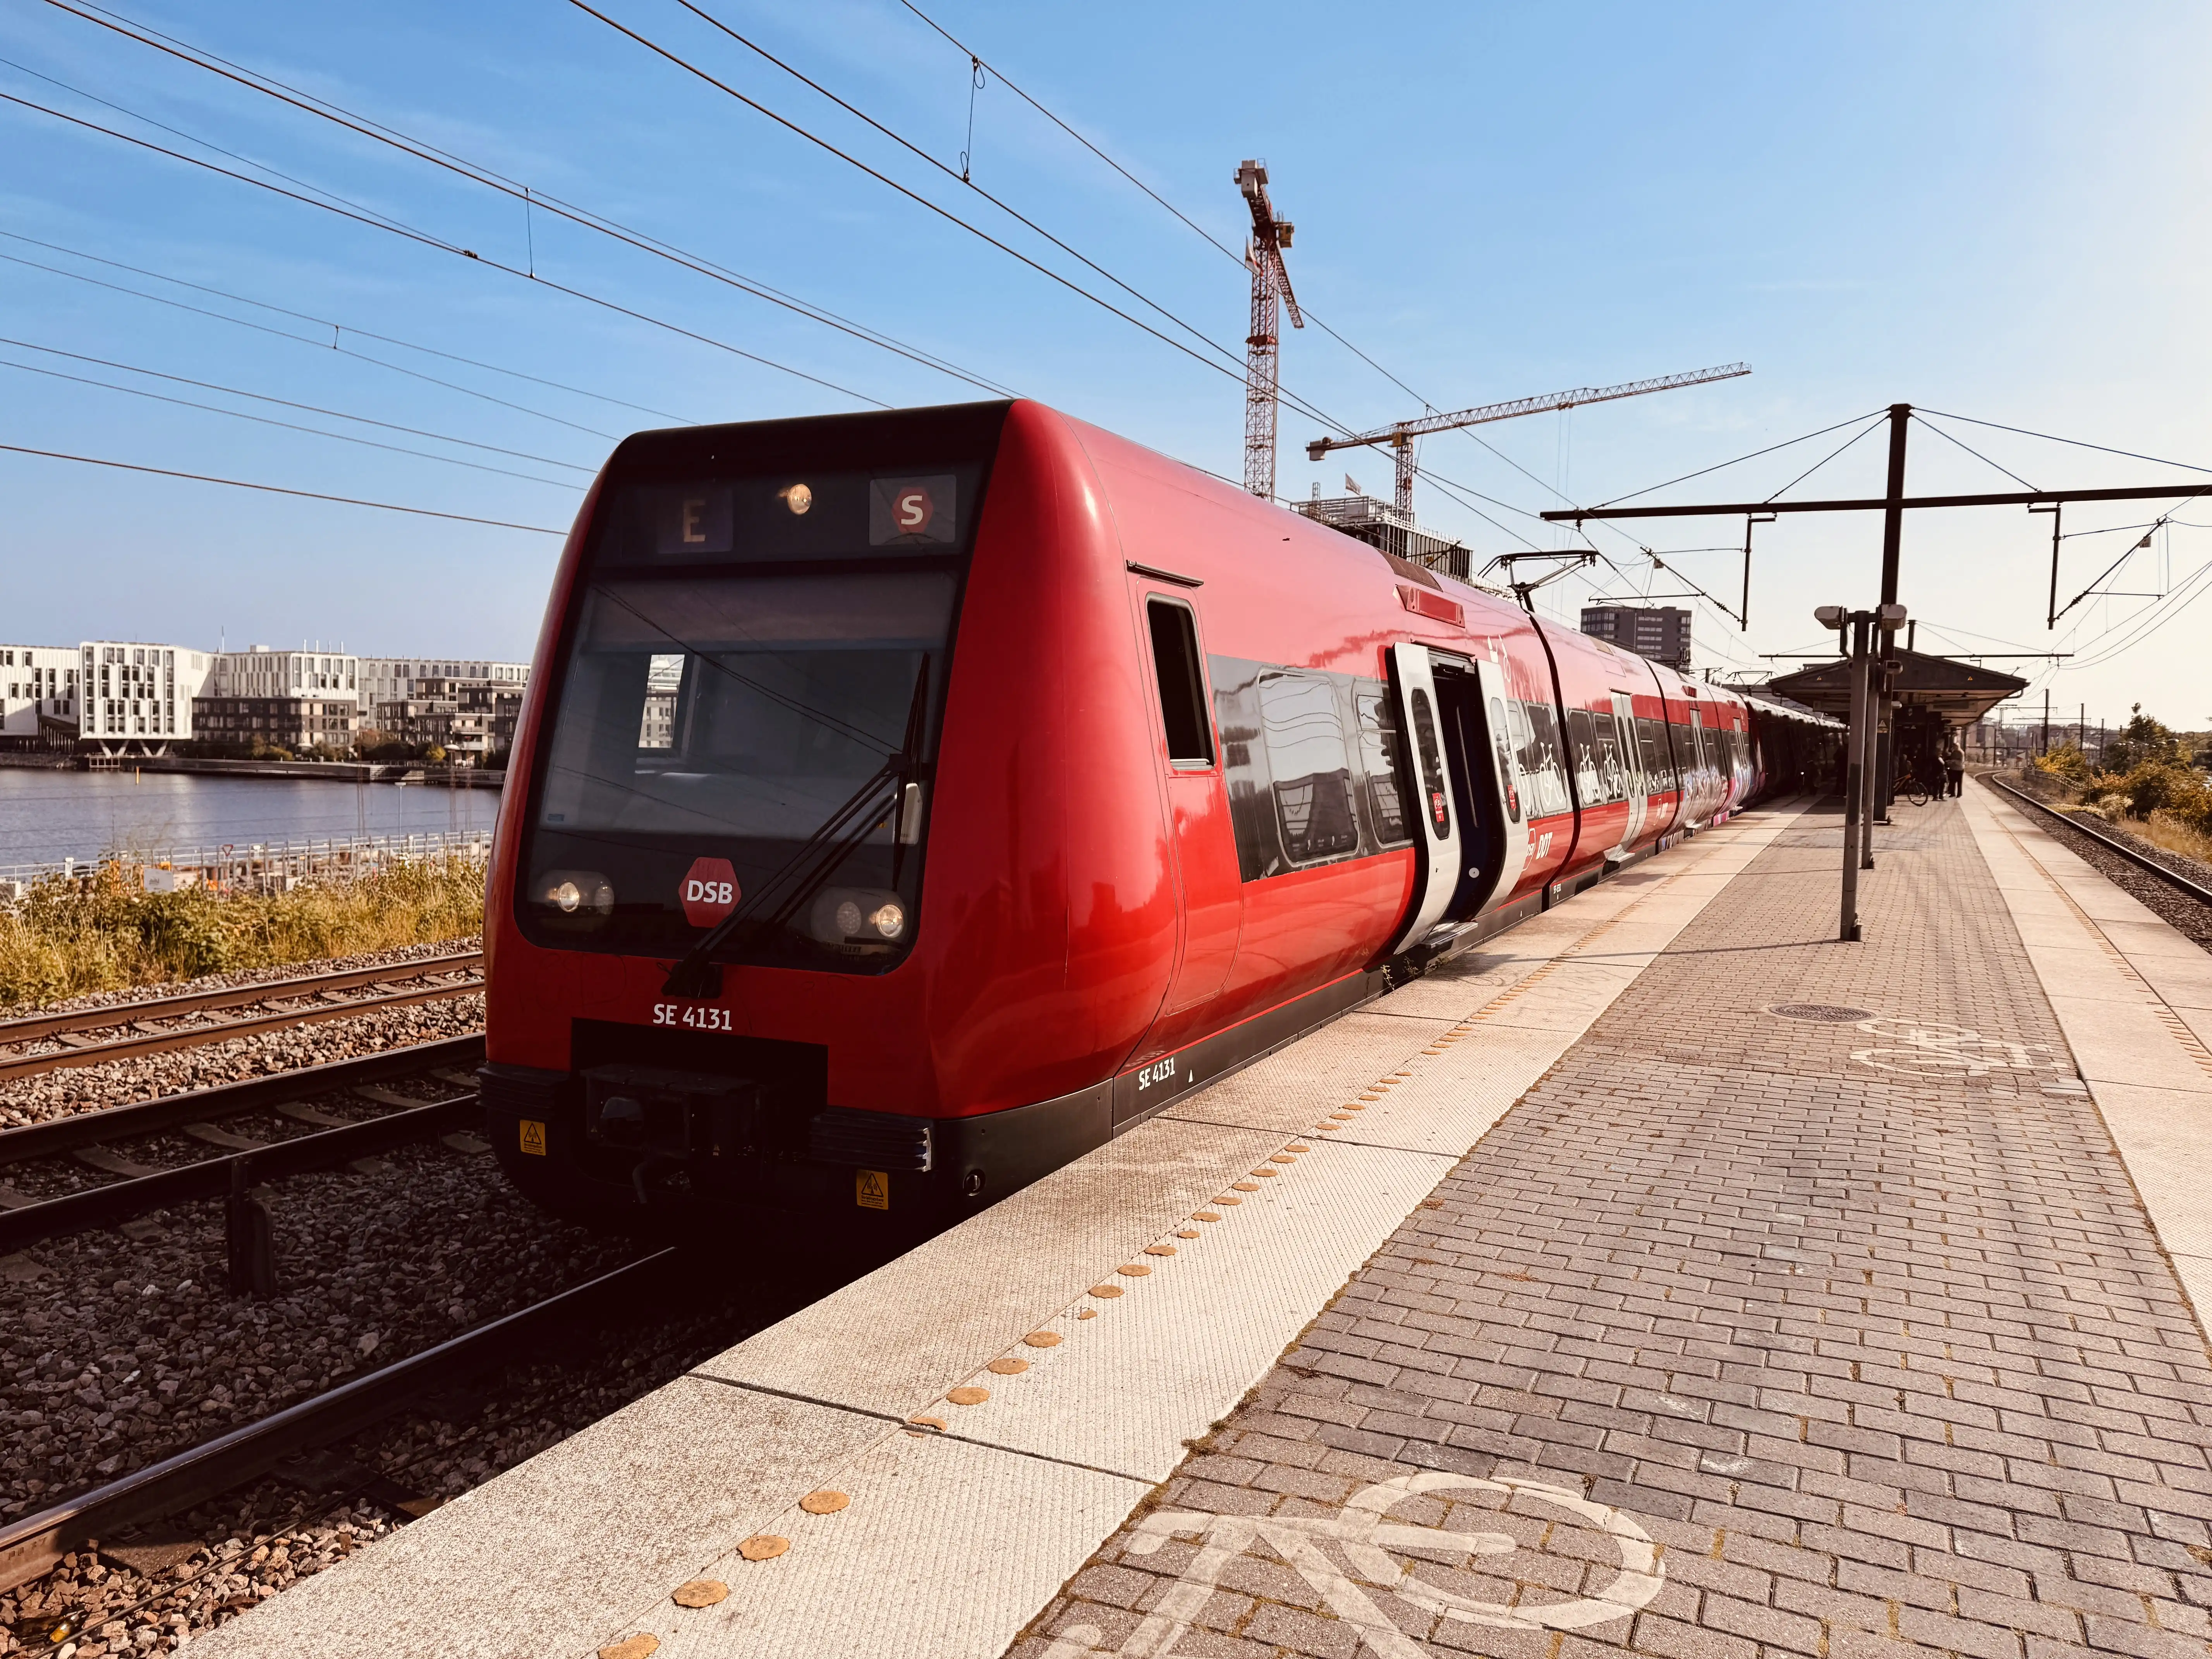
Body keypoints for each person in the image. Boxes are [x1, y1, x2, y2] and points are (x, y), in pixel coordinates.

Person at [1939, 728, 1965, 798]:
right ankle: (1953, 793)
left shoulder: (1961, 753)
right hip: (1953, 769)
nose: (1954, 748)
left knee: (1959, 782)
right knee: (1952, 782)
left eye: (1954, 747)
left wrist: (1953, 761)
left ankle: (1959, 794)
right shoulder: (1954, 752)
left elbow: (1961, 762)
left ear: (1957, 747)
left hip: (1959, 769)